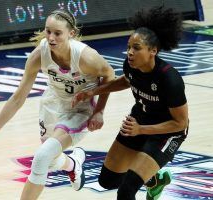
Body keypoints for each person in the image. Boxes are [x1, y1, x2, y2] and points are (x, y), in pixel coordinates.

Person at [0, 9, 115, 200]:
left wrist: (100, 111)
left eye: (57, 33)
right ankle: (73, 164)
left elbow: (109, 75)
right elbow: (18, 98)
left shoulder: (86, 57)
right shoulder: (39, 56)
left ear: (71, 34)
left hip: (80, 109)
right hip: (52, 103)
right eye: (48, 31)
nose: (51, 37)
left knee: (42, 158)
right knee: (51, 160)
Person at [71, 6, 189, 200]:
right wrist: (93, 91)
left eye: (136, 48)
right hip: (140, 120)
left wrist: (141, 130)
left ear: (153, 51)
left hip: (167, 133)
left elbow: (180, 124)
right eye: (128, 47)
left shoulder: (170, 79)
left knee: (126, 191)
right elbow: (126, 80)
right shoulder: (131, 66)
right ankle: (153, 180)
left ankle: (145, 173)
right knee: (107, 181)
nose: (129, 53)